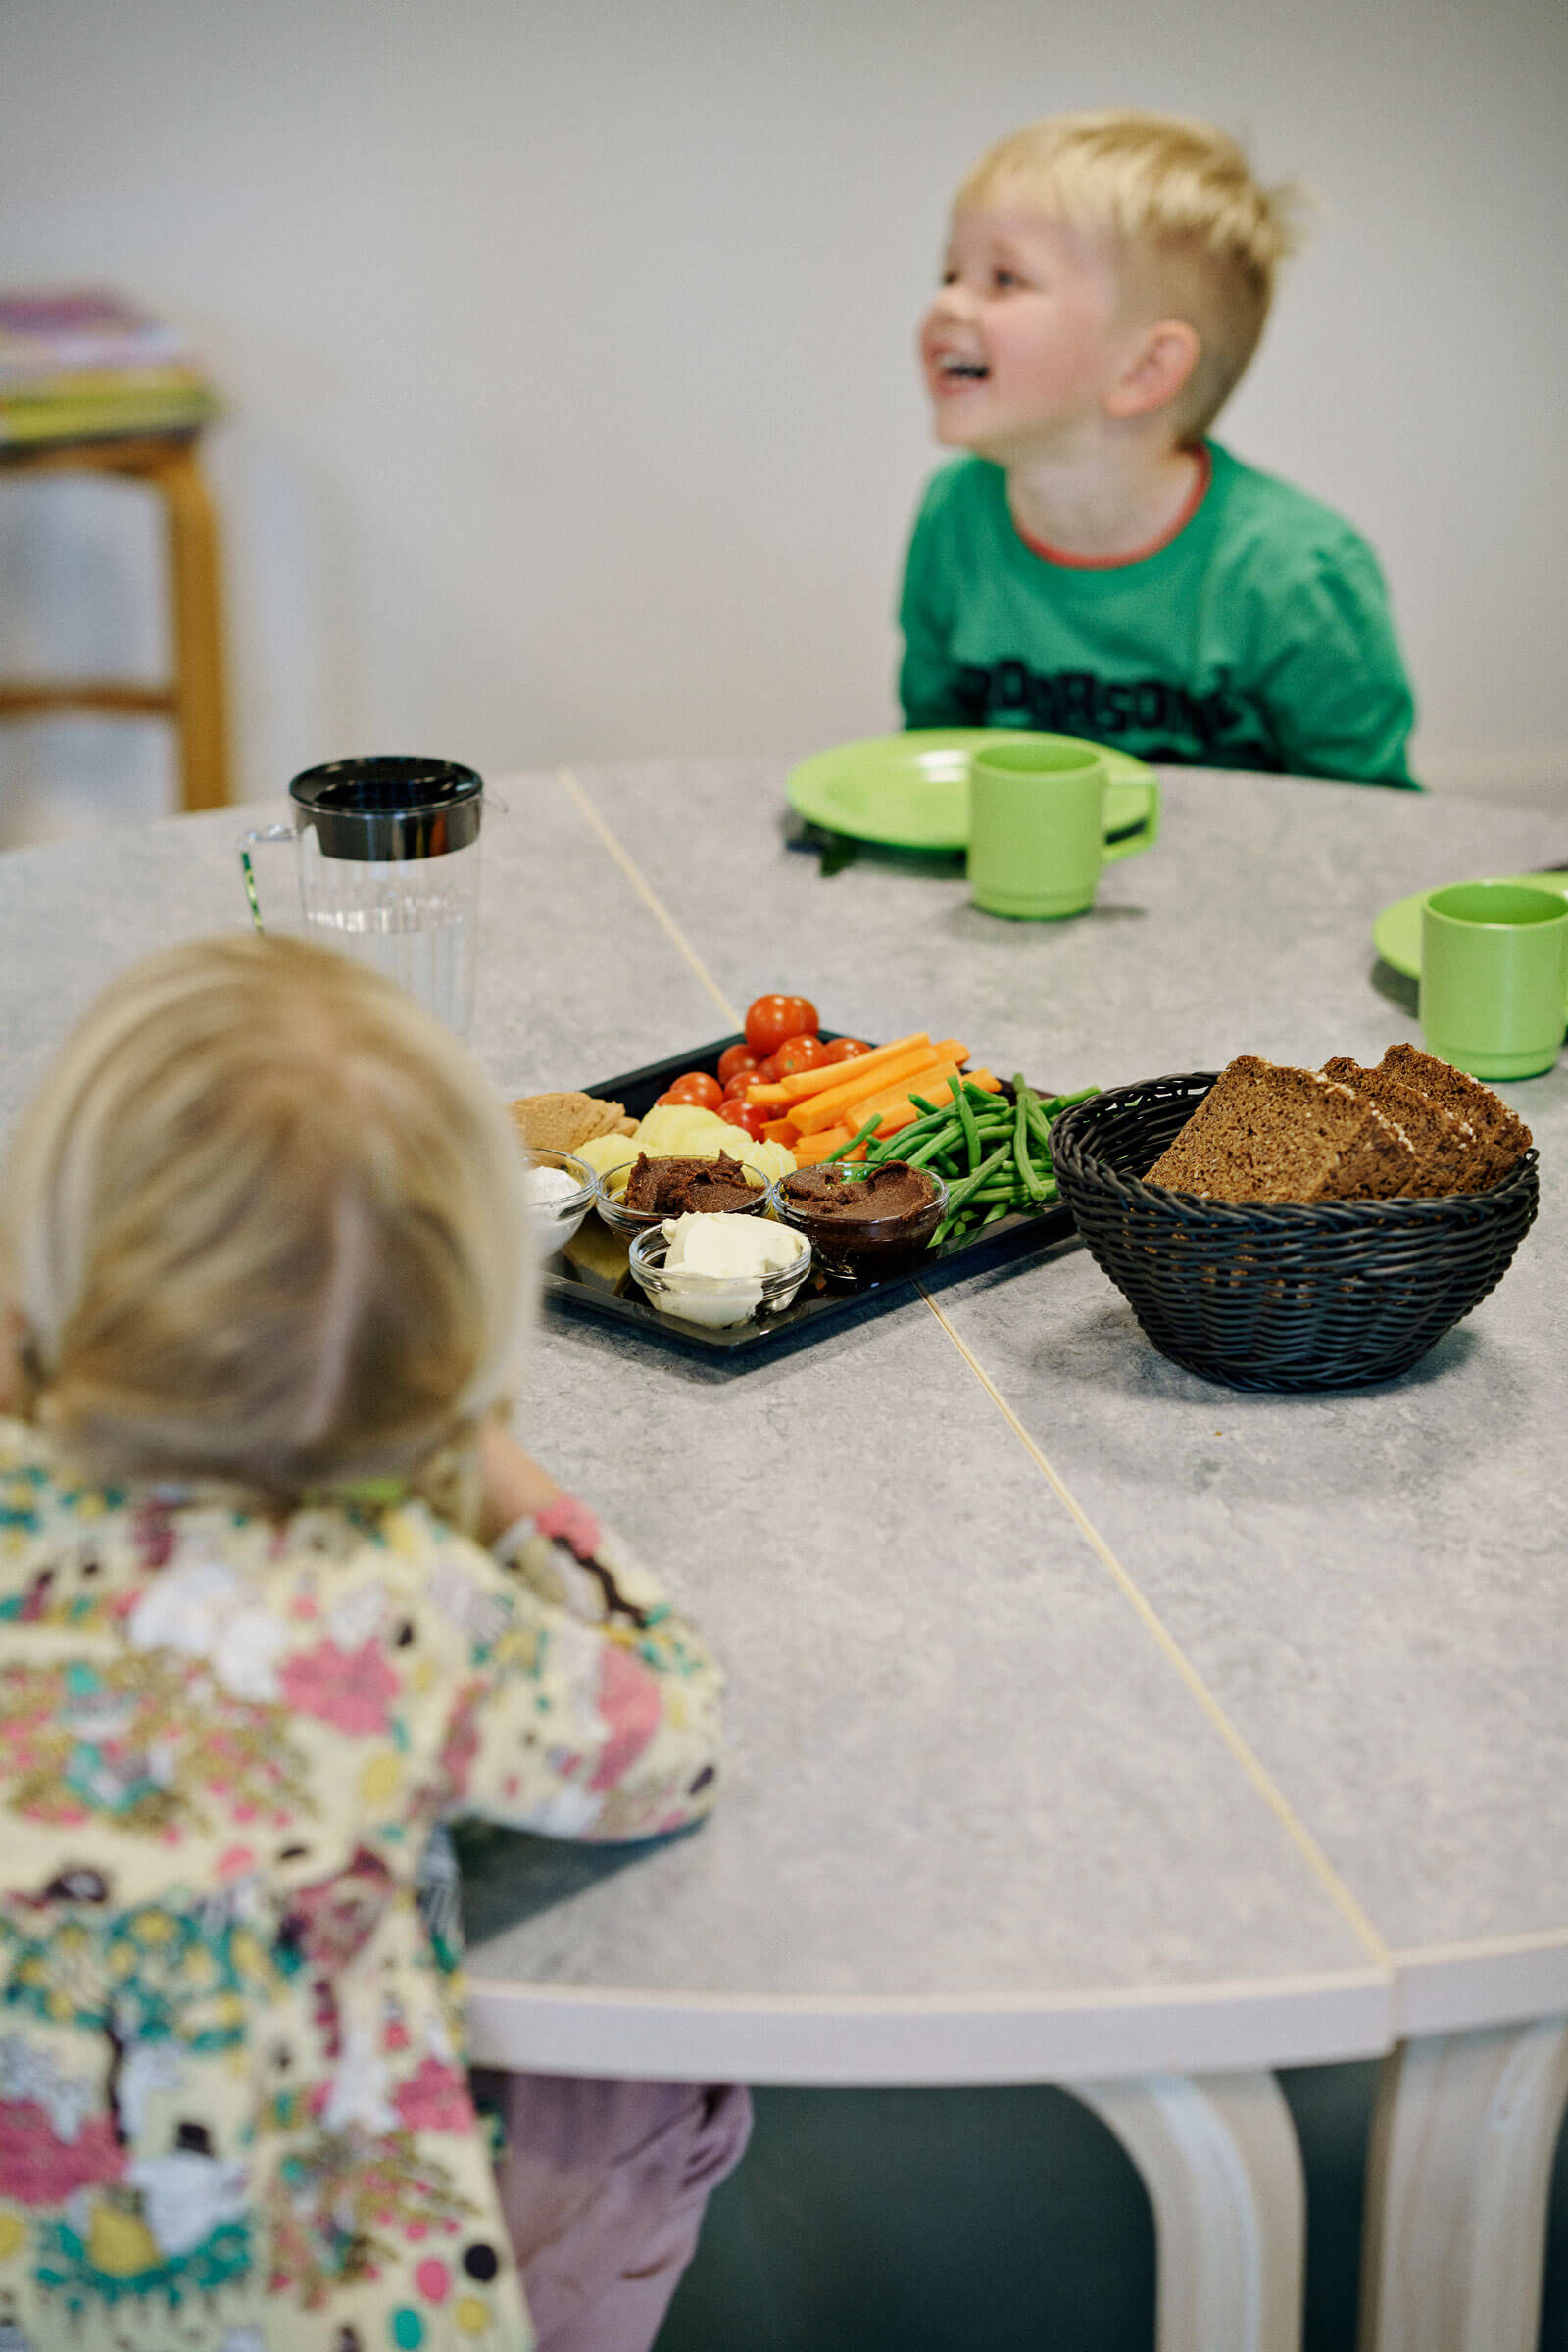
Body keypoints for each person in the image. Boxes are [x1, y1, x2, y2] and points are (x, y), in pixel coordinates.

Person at [0, 933, 749, 2352]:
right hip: (325, 2311)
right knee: (654, 2100)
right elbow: (675, 1740)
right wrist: (508, 1494)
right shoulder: (398, 1605)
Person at [900, 108, 1418, 786]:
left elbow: (1370, 819)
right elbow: (931, 755)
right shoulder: (955, 515)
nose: (948, 306)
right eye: (948, 276)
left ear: (1144, 370)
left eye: (1004, 280)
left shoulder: (1295, 574)